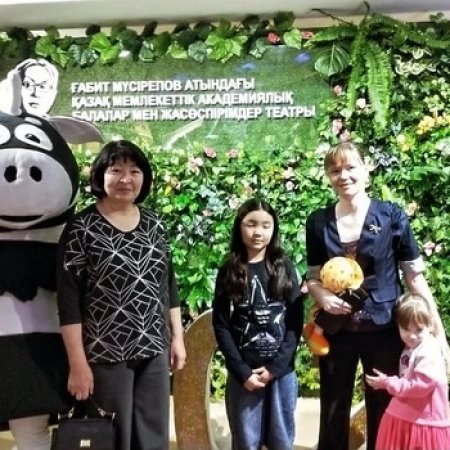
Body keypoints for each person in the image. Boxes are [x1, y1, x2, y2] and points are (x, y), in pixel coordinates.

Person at [305, 142, 448, 450]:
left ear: (366, 169)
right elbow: (313, 277)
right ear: (329, 177)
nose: (343, 175)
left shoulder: (392, 216)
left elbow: (414, 277)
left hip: (385, 329)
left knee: (384, 409)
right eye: (335, 170)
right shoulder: (318, 222)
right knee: (332, 409)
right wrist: (322, 296)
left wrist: (439, 334)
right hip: (337, 332)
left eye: (350, 167)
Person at [56, 139, 186, 450]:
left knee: (153, 438)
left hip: (154, 348)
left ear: (144, 178)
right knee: (114, 438)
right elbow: (68, 302)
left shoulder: (155, 224)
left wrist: (177, 337)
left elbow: (167, 284)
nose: (126, 179)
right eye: (116, 170)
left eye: (134, 171)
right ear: (101, 175)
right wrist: (77, 364)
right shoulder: (81, 228)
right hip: (105, 354)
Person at [212, 198, 303, 450]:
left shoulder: (283, 266)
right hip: (244, 377)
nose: (258, 232)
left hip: (281, 375)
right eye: (250, 224)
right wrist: (242, 372)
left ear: (274, 228)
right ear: (239, 227)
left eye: (265, 225)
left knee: (282, 441)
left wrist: (275, 368)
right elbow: (221, 324)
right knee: (245, 441)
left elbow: (295, 321)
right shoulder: (230, 269)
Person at [366, 293, 450, 450]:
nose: (412, 336)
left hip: (424, 423)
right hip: (410, 418)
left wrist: (388, 383)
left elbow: (421, 385)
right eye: (405, 329)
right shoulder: (414, 347)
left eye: (419, 329)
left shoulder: (428, 350)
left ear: (431, 325)